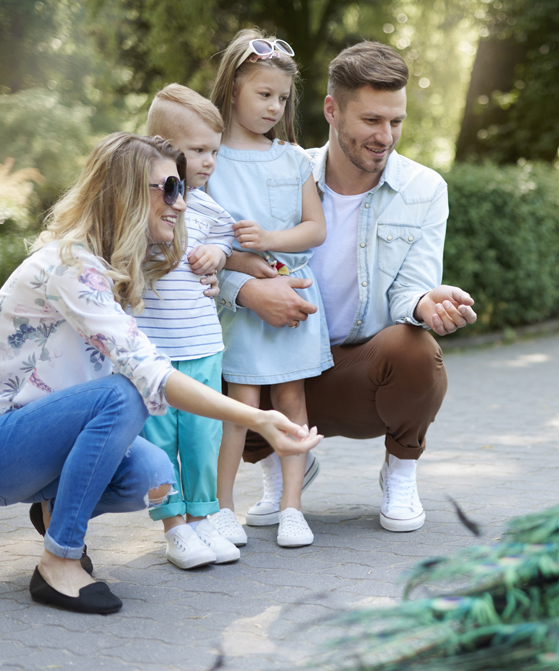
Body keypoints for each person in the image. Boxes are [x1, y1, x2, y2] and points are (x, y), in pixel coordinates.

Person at [0, 132, 322, 615]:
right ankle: (59, 559)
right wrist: (259, 420)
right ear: (125, 194)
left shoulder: (111, 265)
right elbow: (150, 372)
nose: (181, 201)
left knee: (153, 477)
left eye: (181, 187)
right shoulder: (72, 265)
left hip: (37, 437)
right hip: (8, 440)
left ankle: (53, 506)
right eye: (168, 188)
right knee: (125, 395)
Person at [215, 41, 477, 533]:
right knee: (211, 357)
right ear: (332, 110)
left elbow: (409, 292)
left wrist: (425, 303)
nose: (386, 136)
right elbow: (210, 251)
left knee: (415, 349)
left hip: (356, 373)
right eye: (372, 121)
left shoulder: (424, 189)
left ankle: (400, 470)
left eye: (396, 122)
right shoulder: (281, 168)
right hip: (274, 360)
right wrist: (247, 292)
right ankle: (279, 469)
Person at [207, 29, 331, 548]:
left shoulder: (293, 159)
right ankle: (221, 509)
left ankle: (292, 508)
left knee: (291, 399)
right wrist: (242, 258)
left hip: (295, 294)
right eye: (263, 94)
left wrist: (270, 239)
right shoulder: (209, 159)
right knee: (239, 407)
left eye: (281, 98)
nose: (274, 107)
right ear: (233, 88)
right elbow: (198, 237)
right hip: (241, 308)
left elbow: (314, 228)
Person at [138, 84, 260, 568]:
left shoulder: (209, 209)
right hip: (155, 354)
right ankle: (174, 529)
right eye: (197, 151)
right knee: (160, 442)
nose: (210, 161)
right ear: (163, 151)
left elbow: (241, 249)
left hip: (204, 346)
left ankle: (204, 518)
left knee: (202, 438)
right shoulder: (142, 210)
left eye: (215, 150)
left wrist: (224, 255)